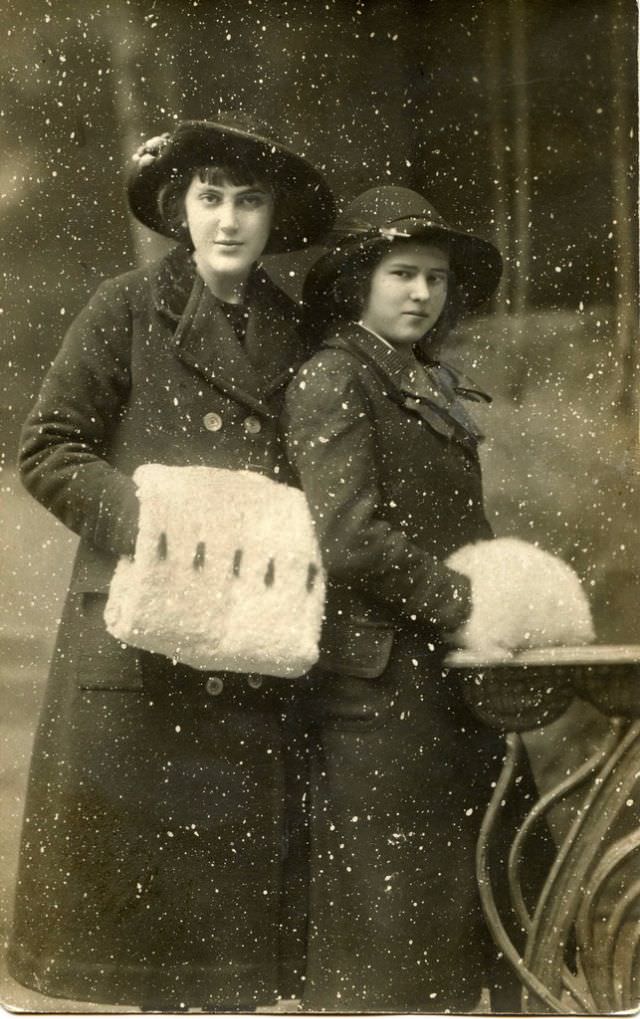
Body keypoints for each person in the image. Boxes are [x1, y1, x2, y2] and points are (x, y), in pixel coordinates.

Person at [8, 118, 335, 1011]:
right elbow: (49, 450)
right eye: (210, 197)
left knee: (234, 962)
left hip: (249, 647)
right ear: (179, 206)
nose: (228, 221)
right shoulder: (125, 307)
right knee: (155, 944)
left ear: (273, 217)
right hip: (137, 641)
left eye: (250, 201)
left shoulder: (300, 333)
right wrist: (169, 524)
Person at [283, 186, 522, 1011]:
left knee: (475, 906)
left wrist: (502, 602)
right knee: (393, 933)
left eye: (437, 278)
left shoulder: (427, 383)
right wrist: (469, 602)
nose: (423, 293)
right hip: (377, 695)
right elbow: (346, 536)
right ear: (359, 280)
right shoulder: (334, 377)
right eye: (402, 274)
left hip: (449, 679)